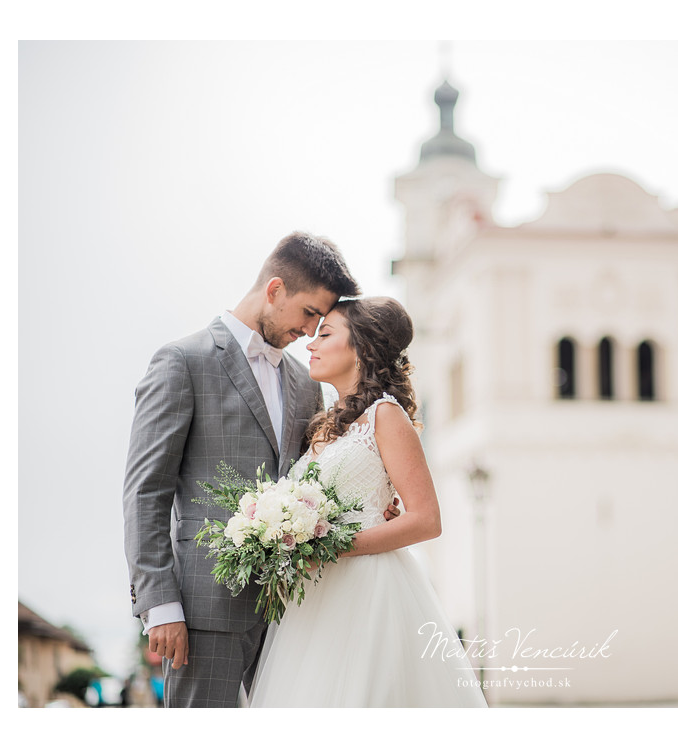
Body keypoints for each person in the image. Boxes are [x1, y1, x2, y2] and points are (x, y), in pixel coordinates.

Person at [123, 231, 398, 708]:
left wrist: (373, 503)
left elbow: (311, 477)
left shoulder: (303, 381)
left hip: (294, 611)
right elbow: (146, 492)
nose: (312, 331)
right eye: (310, 312)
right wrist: (158, 604)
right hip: (202, 609)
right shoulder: (182, 361)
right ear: (275, 291)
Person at [247, 297, 487, 707]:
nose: (310, 344)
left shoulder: (386, 416)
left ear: (361, 347)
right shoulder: (325, 424)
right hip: (315, 598)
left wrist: (330, 546)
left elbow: (427, 519)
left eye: (325, 334)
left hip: (368, 590)